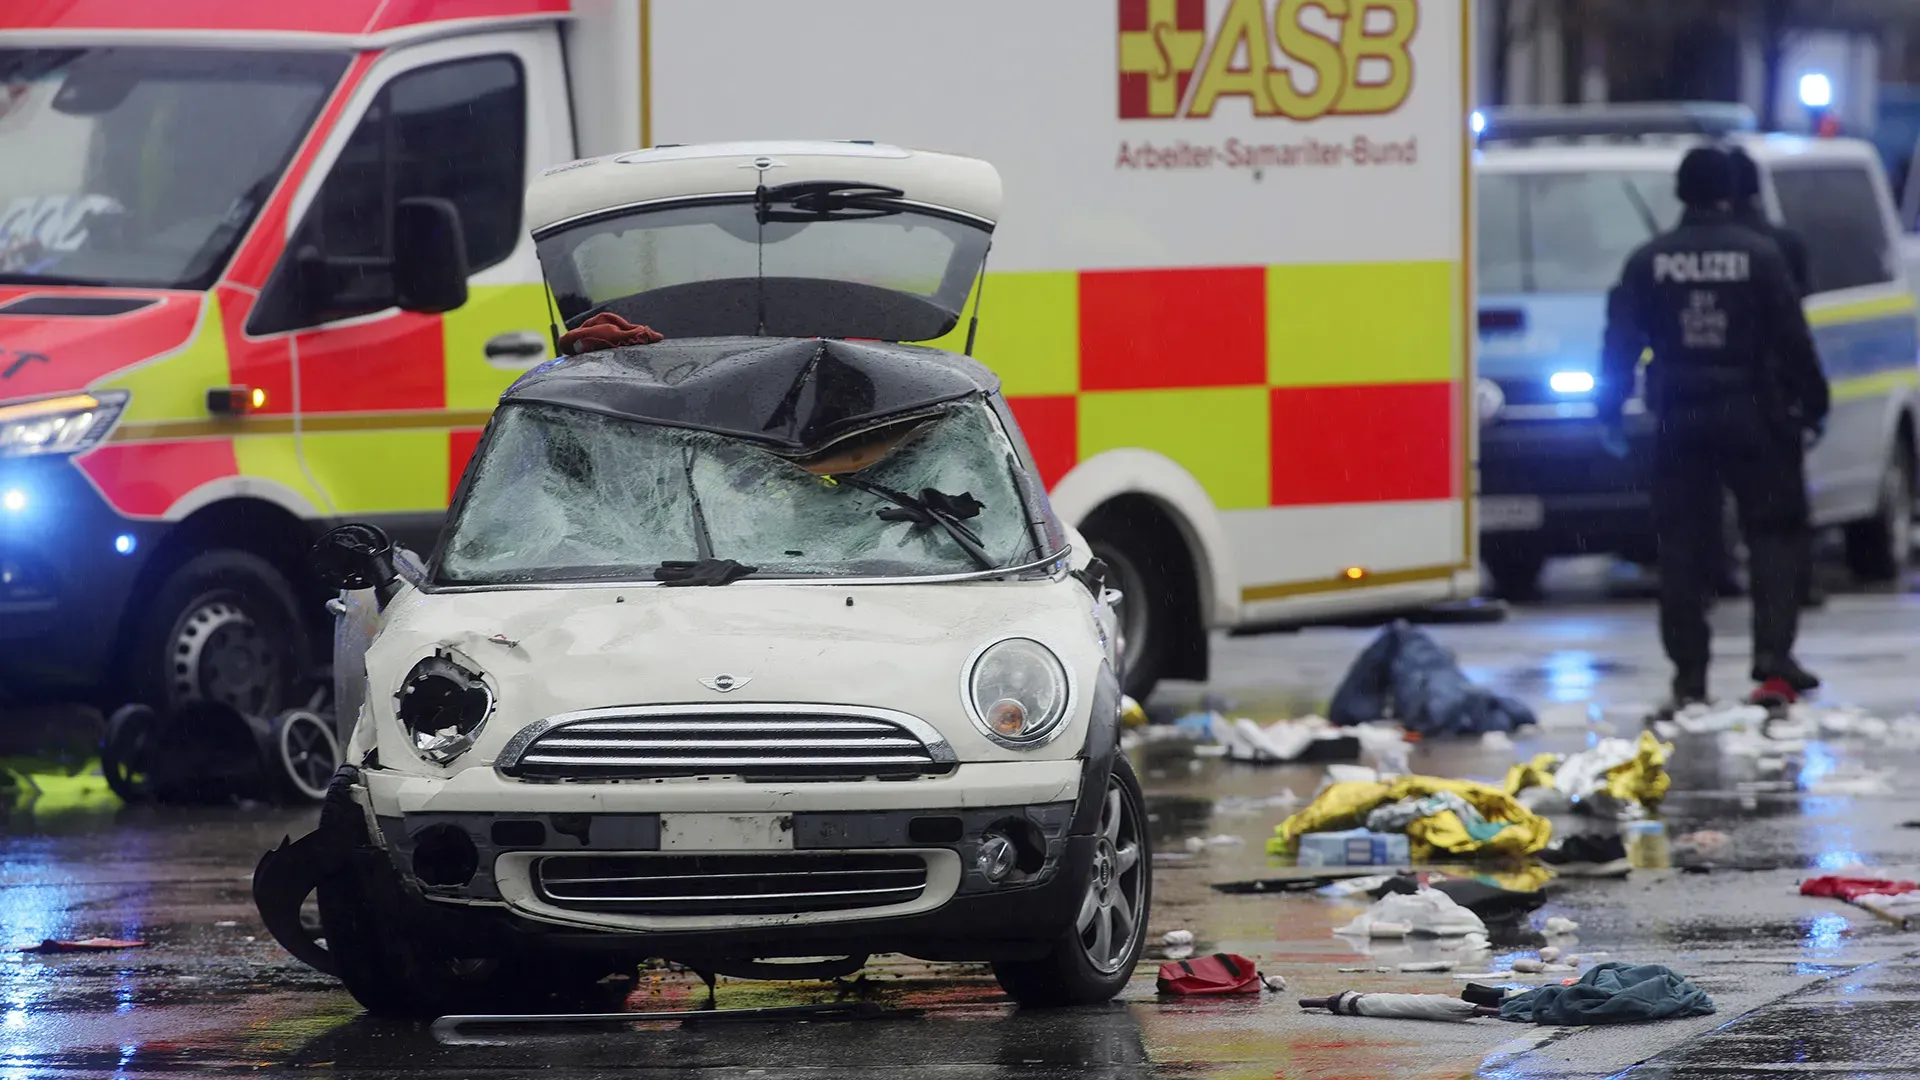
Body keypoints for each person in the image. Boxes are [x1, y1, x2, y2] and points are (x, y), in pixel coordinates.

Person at [1598, 147, 1830, 707]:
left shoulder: (1648, 260)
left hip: (1679, 416)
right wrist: (1814, 403)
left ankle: (1690, 676)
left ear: (1680, 193)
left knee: (1682, 544)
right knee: (1773, 534)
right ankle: (1773, 660)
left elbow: (1619, 344)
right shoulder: (1762, 255)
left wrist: (1608, 412)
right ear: (1731, 191)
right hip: (1755, 415)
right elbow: (1793, 340)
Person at [1726, 146, 1825, 609]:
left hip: (1698, 403)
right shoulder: (1782, 246)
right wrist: (1813, 399)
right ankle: (1793, 595)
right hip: (1773, 401)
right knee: (1780, 515)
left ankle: (1714, 579)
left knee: (1698, 513)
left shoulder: (1684, 248)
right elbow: (1795, 327)